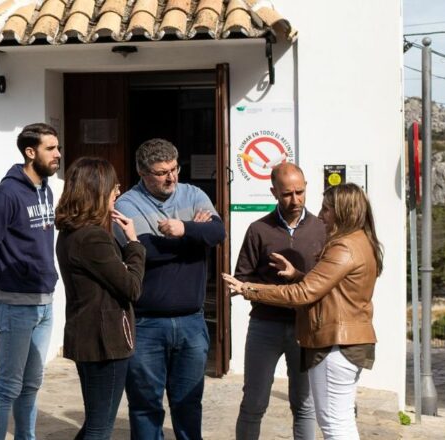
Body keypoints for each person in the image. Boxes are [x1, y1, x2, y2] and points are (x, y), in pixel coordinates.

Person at [223, 183, 383, 440]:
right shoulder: (361, 242)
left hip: (335, 344)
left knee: (334, 425)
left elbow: (303, 293)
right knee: (341, 422)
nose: (321, 215)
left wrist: (249, 289)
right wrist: (297, 274)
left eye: (327, 209)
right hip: (348, 341)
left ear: (343, 211)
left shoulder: (343, 247)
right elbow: (331, 288)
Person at [114, 138, 226, 440]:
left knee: (188, 402)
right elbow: (143, 251)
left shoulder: (193, 193)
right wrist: (194, 239)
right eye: (161, 172)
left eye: (175, 169)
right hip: (146, 323)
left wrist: (184, 229)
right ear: (142, 172)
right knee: (146, 404)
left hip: (192, 320)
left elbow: (217, 232)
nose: (171, 177)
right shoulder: (126, 203)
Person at [0, 122, 62, 440]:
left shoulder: (46, 190)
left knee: (31, 385)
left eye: (58, 148)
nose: (58, 154)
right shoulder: (6, 194)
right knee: (8, 386)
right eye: (50, 148)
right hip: (16, 304)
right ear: (30, 152)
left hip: (44, 303)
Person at [55, 157, 146, 439]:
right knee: (100, 426)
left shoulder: (72, 232)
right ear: (96, 189)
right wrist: (134, 244)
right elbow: (132, 288)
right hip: (105, 342)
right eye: (114, 185)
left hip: (89, 337)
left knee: (95, 421)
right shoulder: (93, 238)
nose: (118, 191)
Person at [234, 163, 324, 440]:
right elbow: (242, 278)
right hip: (265, 327)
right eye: (287, 194)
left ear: (306, 186)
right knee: (254, 403)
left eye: (300, 192)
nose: (295, 200)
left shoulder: (322, 229)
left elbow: (326, 282)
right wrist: (275, 292)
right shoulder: (258, 230)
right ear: (274, 192)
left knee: (304, 404)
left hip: (306, 327)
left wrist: (298, 278)